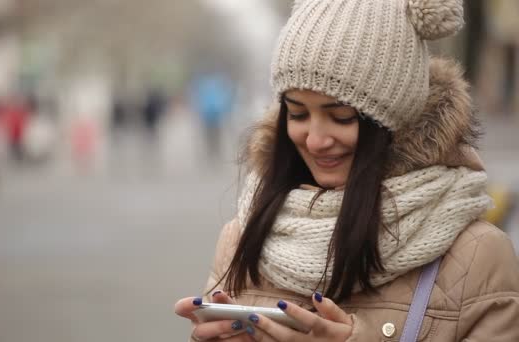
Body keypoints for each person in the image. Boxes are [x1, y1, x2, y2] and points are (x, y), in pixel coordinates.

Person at [174, 0, 519, 341]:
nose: (315, 140)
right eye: (297, 114)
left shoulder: (478, 256)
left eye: (340, 117)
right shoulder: (242, 237)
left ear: (393, 121)